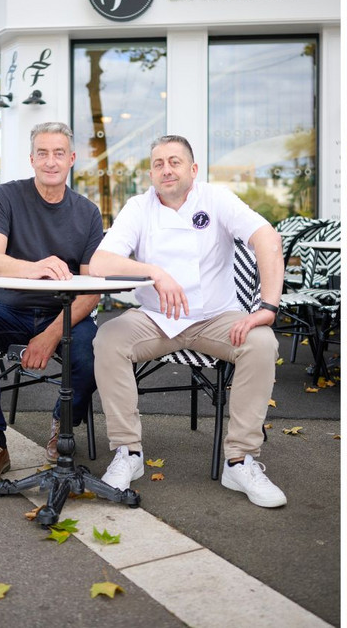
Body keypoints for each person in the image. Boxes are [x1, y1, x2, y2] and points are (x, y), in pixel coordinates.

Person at [89, 134, 288, 507]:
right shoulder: (138, 207)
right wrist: (154, 272)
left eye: (175, 161)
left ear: (193, 169)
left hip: (216, 318)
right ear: (150, 172)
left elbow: (267, 238)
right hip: (156, 319)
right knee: (108, 339)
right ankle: (128, 453)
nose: (167, 169)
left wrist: (268, 306)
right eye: (159, 163)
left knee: (262, 344)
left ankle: (240, 460)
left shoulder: (216, 199)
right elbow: (101, 263)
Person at [0, 121, 104, 491]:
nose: (50, 161)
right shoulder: (5, 197)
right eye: (42, 153)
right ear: (31, 158)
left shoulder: (87, 213)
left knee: (95, 348)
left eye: (58, 153)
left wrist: (51, 336)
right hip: (11, 310)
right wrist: (35, 268)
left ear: (72, 159)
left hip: (64, 313)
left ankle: (61, 426)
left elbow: (92, 290)